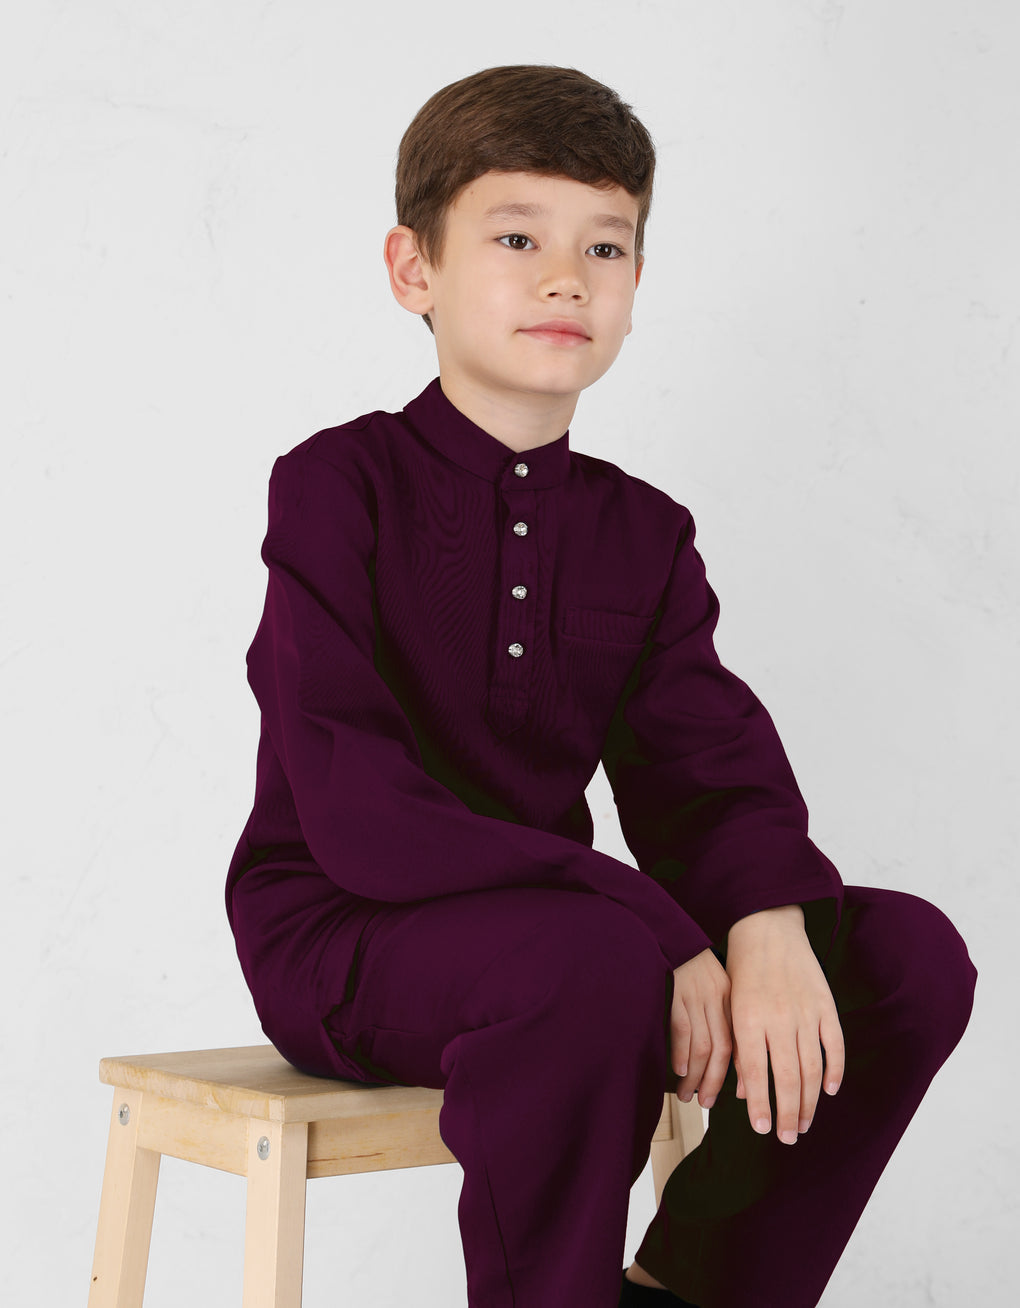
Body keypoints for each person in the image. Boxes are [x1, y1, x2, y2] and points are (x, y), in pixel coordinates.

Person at [224, 64, 978, 1308]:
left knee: (903, 957)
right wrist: (658, 928)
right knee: (590, 964)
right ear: (414, 270)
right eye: (518, 238)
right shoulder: (336, 487)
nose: (567, 278)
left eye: (606, 246)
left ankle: (684, 1290)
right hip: (341, 933)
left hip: (566, 939)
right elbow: (363, 812)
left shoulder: (645, 535)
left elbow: (705, 771)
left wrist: (765, 925)